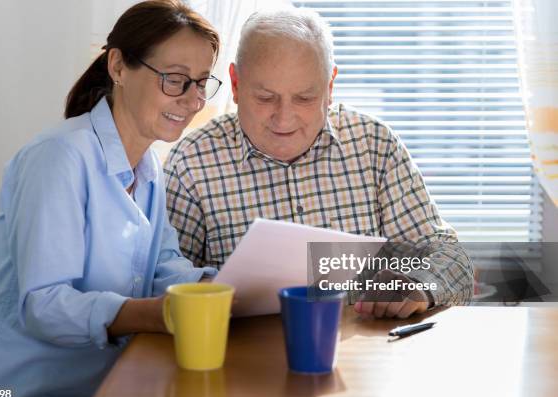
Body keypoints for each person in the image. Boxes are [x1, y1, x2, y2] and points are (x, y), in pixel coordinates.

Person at [0, 1, 221, 397]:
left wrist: (224, 290)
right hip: (21, 394)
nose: (193, 100)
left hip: (104, 389)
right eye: (175, 79)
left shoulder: (149, 165)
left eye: (202, 82)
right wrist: (154, 314)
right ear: (118, 67)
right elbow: (43, 305)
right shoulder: (60, 156)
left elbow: (166, 267)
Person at [164, 8, 473, 320]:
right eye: (265, 98)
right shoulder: (192, 162)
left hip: (360, 356)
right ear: (235, 84)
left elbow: (452, 259)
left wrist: (418, 285)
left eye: (304, 98)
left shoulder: (374, 146)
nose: (283, 119)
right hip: (239, 357)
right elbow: (161, 287)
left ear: (330, 87)